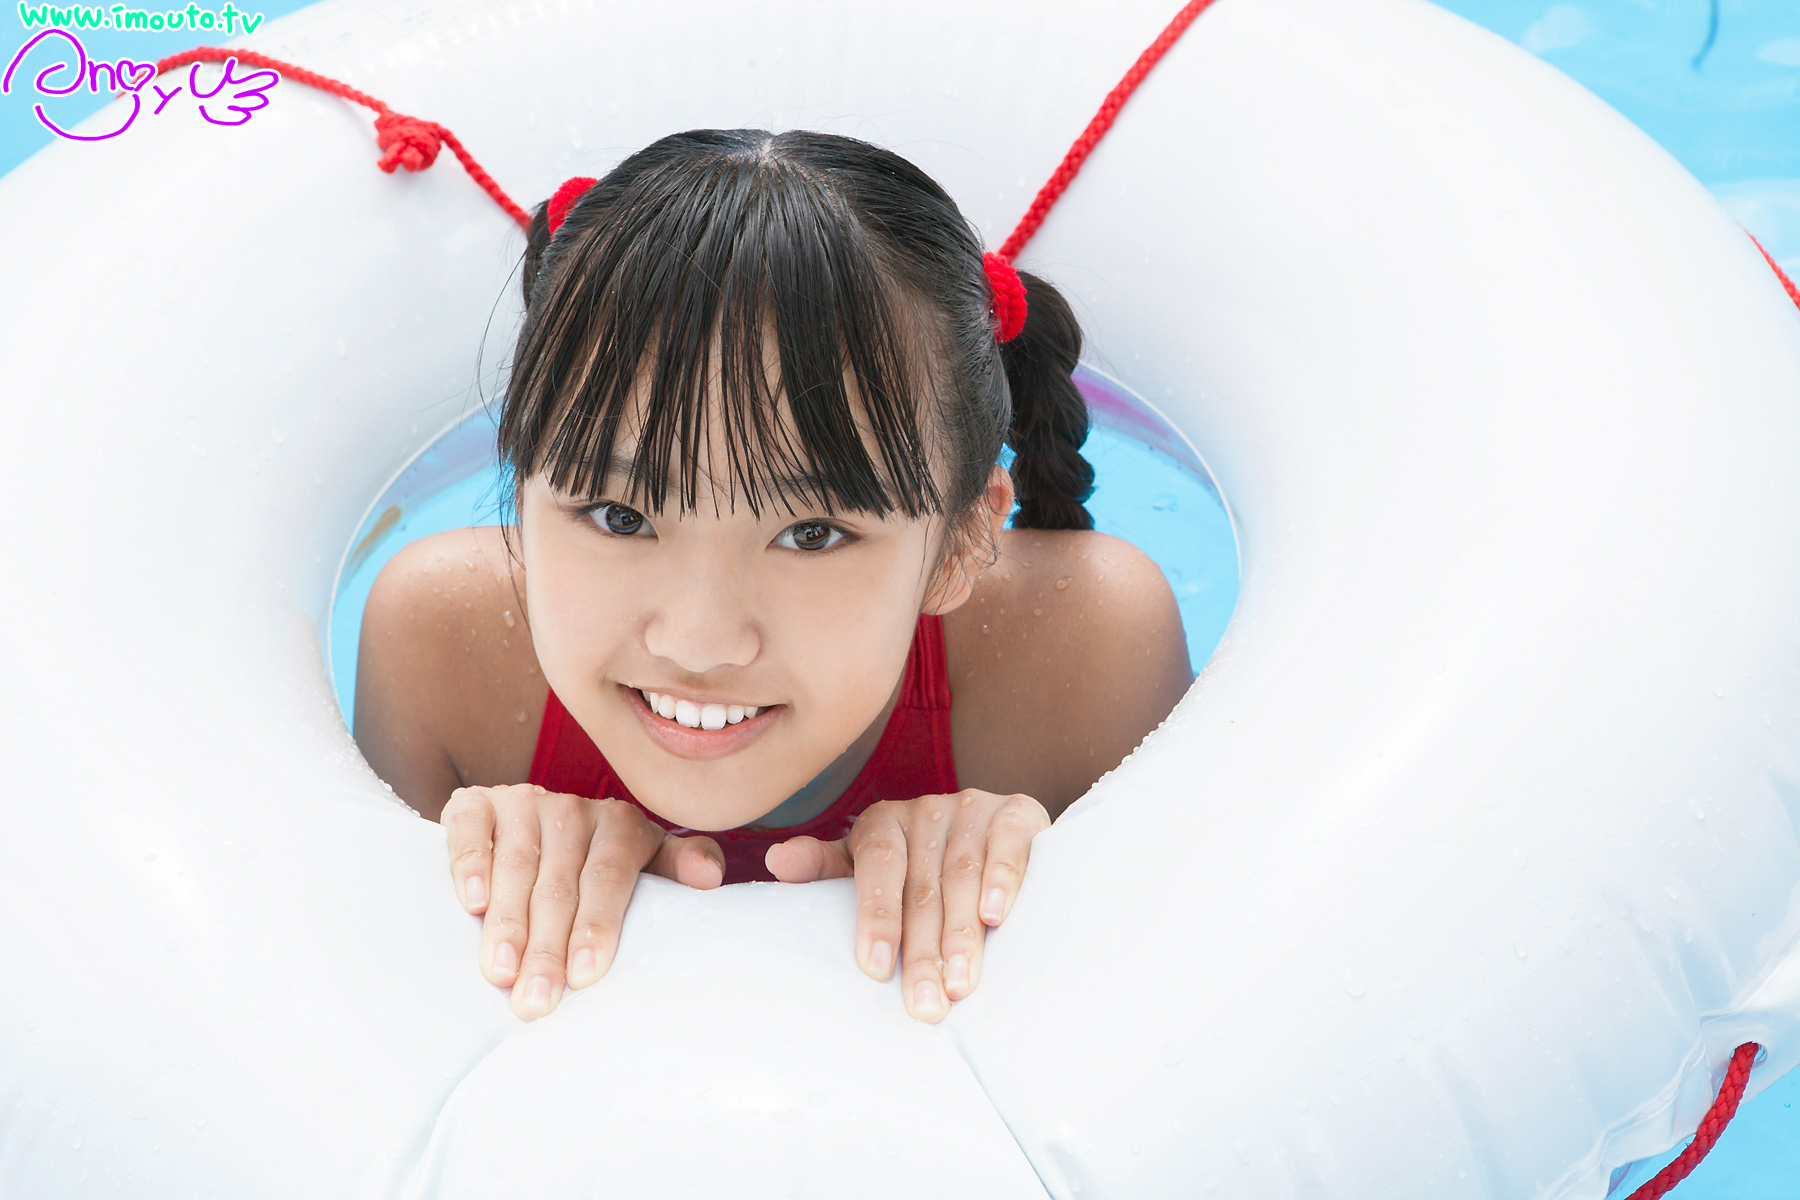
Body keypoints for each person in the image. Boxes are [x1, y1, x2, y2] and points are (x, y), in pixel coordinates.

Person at [352, 128, 1192, 1025]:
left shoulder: (1085, 660)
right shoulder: (441, 652)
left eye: (812, 534)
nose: (700, 642)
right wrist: (485, 878)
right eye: (620, 516)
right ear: (522, 491)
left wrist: (1043, 881)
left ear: (961, 543)